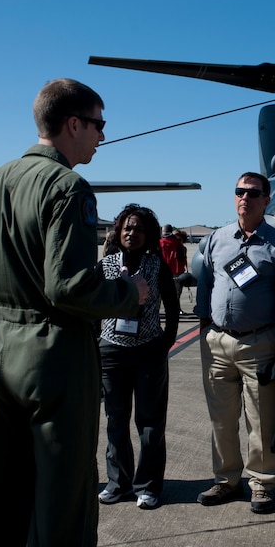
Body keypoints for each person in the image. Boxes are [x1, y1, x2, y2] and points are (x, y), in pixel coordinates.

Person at [0, 78, 148, 547]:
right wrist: (133, 293)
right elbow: (70, 288)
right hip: (55, 355)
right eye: (99, 124)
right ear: (73, 124)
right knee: (64, 498)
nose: (102, 136)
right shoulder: (68, 188)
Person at [194, 171, 275, 514]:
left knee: (261, 419)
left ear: (267, 200)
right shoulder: (217, 240)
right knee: (221, 418)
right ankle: (226, 479)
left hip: (259, 342)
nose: (245, 198)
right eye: (240, 191)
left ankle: (262, 483)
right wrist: (205, 323)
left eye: (253, 193)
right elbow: (205, 281)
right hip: (218, 342)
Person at [97, 204, 179, 510]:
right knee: (115, 419)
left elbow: (172, 308)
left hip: (148, 350)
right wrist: (96, 343)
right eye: (127, 228)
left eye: (138, 229)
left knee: (149, 423)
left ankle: (147, 486)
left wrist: (165, 343)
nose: (132, 233)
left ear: (149, 235)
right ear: (118, 231)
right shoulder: (106, 264)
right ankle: (118, 482)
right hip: (111, 349)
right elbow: (94, 305)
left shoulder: (157, 265)